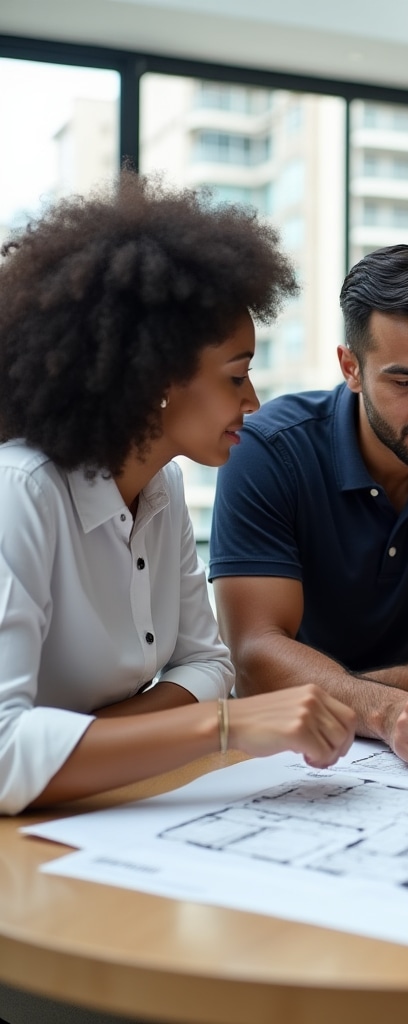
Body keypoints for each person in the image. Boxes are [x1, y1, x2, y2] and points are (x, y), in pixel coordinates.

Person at [0, 173, 357, 816]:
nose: (252, 402)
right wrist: (226, 728)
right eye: (237, 376)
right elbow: (3, 756)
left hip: (102, 811)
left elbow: (207, 665)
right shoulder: (21, 495)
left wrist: (99, 742)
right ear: (157, 377)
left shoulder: (162, 486)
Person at [209, 244, 408, 781]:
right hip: (284, 754)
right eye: (406, 382)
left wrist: (359, 698)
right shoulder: (267, 450)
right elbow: (255, 656)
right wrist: (376, 708)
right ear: (350, 368)